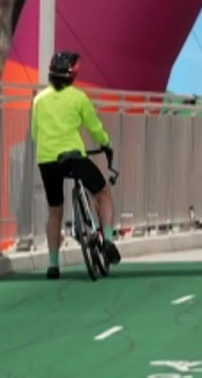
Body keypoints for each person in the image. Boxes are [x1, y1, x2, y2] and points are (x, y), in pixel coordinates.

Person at [32, 51, 121, 279]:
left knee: (55, 210)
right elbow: (95, 128)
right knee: (102, 193)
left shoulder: (39, 100)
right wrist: (106, 144)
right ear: (72, 76)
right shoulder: (79, 98)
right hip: (73, 157)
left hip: (47, 159)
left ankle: (53, 265)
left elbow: (35, 133)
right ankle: (108, 240)